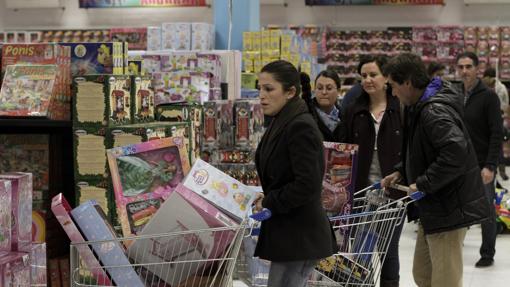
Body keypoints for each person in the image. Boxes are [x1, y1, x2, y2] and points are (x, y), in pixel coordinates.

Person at [381, 53, 490, 287]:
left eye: (392, 86)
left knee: (445, 281)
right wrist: (401, 171)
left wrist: (422, 183)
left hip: (449, 207)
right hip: (433, 207)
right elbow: (424, 150)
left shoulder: (433, 111)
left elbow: (456, 154)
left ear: (407, 82)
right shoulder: (420, 105)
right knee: (423, 274)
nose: (392, 92)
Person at [253, 60, 338, 287]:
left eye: (269, 89)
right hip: (289, 233)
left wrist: (271, 200)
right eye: (259, 88)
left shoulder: (300, 126)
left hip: (299, 236)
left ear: (290, 91)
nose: (261, 95)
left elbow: (307, 185)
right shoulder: (282, 119)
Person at [338, 55, 403, 287]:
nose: (368, 80)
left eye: (373, 74)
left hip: (393, 193)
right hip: (361, 193)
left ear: (385, 77)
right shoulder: (354, 110)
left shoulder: (400, 108)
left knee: (388, 251)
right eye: (363, 75)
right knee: (360, 253)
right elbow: (342, 149)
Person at [456, 52, 503, 268]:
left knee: (486, 210)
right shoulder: (455, 94)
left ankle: (487, 252)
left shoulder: (489, 96)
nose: (464, 71)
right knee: (458, 208)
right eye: (461, 67)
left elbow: (496, 133)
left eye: (468, 67)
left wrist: (491, 165)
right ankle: (454, 247)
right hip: (458, 163)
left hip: (482, 163)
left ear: (477, 69)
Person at [303, 70, 342, 141]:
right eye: (320, 88)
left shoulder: (345, 116)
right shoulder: (305, 114)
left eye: (329, 88)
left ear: (338, 91)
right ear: (314, 90)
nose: (324, 92)